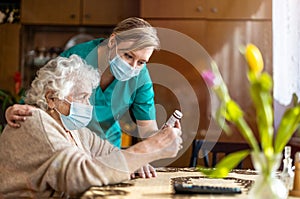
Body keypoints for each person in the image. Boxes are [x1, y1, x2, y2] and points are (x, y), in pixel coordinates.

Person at [5, 17, 174, 178]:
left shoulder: (140, 77)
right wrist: (15, 112)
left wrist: (156, 143)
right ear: (113, 41)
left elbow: (147, 128)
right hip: (68, 145)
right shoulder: (77, 58)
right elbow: (42, 100)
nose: (133, 67)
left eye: (141, 62)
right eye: (128, 56)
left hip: (105, 147)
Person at [0, 55, 182, 198]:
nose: (88, 105)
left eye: (88, 98)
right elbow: (80, 175)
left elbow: (108, 153)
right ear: (51, 98)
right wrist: (150, 148)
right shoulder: (35, 122)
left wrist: (136, 162)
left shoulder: (73, 130)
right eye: (81, 97)